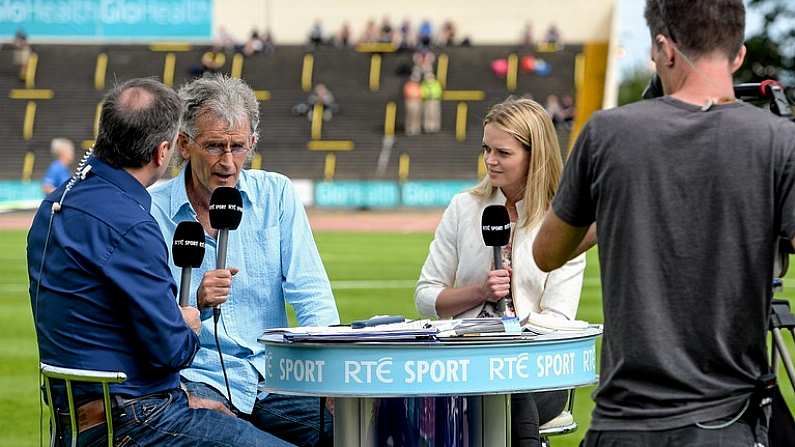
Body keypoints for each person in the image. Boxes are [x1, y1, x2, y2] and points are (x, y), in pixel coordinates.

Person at [532, 1, 795, 445]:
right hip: (727, 425)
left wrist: (621, 208)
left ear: (662, 48)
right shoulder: (777, 139)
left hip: (625, 424)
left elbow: (547, 252)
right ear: (738, 56)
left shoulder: (606, 133)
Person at [27, 78, 291, 446]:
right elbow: (172, 350)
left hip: (79, 414)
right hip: (133, 418)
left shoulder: (55, 205)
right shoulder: (132, 222)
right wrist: (188, 320)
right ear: (164, 151)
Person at [149, 75, 339, 447]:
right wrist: (196, 304)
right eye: (215, 146)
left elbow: (311, 293)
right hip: (198, 381)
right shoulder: (152, 210)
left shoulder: (276, 194)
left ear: (252, 143)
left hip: (278, 377)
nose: (228, 163)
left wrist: (330, 377)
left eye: (238, 147)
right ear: (184, 145)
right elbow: (146, 323)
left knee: (360, 432)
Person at [415, 97, 585, 447]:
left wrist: (509, 335)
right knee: (485, 389)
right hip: (464, 364)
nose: (490, 160)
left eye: (503, 153)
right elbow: (426, 297)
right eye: (486, 149)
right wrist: (479, 293)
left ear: (534, 155)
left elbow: (559, 318)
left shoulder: (561, 221)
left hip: (538, 371)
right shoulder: (464, 207)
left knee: (505, 387)